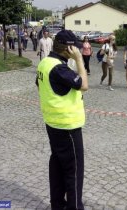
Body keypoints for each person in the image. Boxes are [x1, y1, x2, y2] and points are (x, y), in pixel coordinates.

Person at [36, 29, 88, 210]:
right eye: (76, 48)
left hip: (52, 122)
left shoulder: (45, 62)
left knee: (57, 165)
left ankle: (57, 204)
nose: (78, 51)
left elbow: (40, 85)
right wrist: (80, 60)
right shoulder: (59, 68)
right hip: (68, 126)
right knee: (73, 172)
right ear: (68, 48)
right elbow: (84, 85)